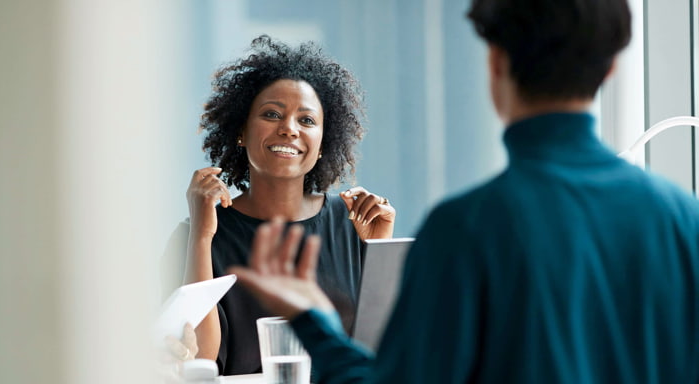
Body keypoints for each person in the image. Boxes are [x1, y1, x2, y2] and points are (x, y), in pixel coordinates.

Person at [228, 0, 699, 383]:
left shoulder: (467, 228)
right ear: (612, 67)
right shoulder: (682, 219)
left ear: (496, 63)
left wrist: (312, 319)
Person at [161, 35, 396, 375]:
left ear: (322, 143)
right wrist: (200, 236)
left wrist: (378, 250)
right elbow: (201, 363)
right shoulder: (197, 233)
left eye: (307, 120)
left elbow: (382, 355)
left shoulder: (354, 223)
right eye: (272, 114)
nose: (289, 129)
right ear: (241, 131)